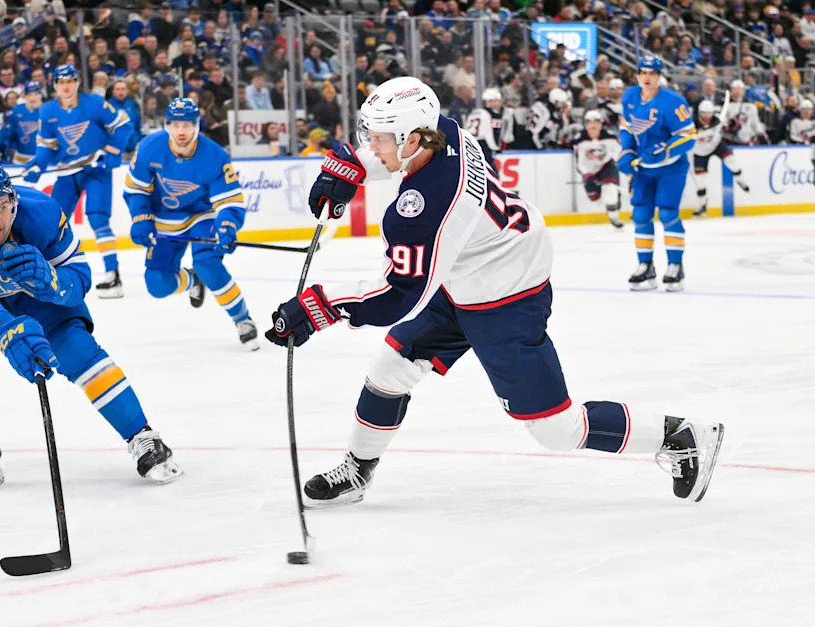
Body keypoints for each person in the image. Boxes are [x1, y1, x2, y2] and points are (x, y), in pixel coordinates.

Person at [263, 77, 724, 508]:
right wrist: (346, 167)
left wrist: (316, 308)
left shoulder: (425, 207)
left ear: (411, 139)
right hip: (473, 266)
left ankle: (680, 436)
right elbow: (393, 161)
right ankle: (359, 471)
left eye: (380, 138)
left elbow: (400, 296)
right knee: (391, 365)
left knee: (554, 429)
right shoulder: (444, 131)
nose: (371, 146)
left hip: (507, 296)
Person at [0, 158, 181, 490]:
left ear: (14, 199)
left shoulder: (41, 211)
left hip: (35, 295)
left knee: (77, 350)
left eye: (2, 206)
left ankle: (142, 436)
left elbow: (79, 278)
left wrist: (54, 282)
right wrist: (5, 332)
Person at [123, 98, 260, 350]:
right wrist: (141, 218)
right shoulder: (148, 148)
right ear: (167, 126)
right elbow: (135, 191)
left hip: (201, 216)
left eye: (187, 124)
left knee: (207, 263)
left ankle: (243, 319)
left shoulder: (215, 155)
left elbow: (229, 201)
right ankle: (192, 280)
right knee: (157, 284)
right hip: (163, 220)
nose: (181, 131)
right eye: (175, 125)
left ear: (197, 126)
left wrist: (227, 226)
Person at [22, 64, 135, 298]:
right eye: (61, 82)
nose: (66, 86)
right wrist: (37, 165)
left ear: (77, 83)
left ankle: (113, 275)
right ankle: (45, 274)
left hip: (97, 169)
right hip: (67, 172)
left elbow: (124, 126)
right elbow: (47, 148)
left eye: (70, 81)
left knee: (97, 218)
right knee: (53, 221)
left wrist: (113, 153)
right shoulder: (48, 111)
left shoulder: (94, 103)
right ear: (55, 85)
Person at [617, 55, 695, 292]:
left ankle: (675, 266)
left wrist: (666, 151)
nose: (647, 77)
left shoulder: (673, 102)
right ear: (638, 74)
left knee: (668, 213)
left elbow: (688, 136)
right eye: (643, 72)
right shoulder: (630, 97)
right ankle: (646, 266)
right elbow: (627, 128)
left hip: (671, 169)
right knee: (640, 215)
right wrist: (627, 152)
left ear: (659, 76)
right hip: (644, 170)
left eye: (652, 73)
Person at [692, 100, 750, 217]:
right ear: (699, 113)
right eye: (703, 113)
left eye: (708, 113)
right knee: (700, 182)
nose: (706, 116)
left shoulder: (718, 120)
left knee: (732, 162)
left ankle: (739, 179)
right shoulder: (692, 124)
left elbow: (734, 127)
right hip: (699, 151)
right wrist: (696, 133)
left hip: (717, 145)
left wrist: (732, 123)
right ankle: (702, 206)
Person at [574, 109, 623, 228]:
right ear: (586, 125)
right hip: (589, 171)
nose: (593, 125)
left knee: (609, 190)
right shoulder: (579, 139)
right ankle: (614, 198)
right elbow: (579, 161)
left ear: (601, 124)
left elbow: (619, 153)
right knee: (594, 199)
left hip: (606, 166)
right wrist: (586, 174)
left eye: (596, 122)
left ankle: (613, 216)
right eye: (590, 123)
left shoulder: (610, 137)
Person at [3, 80, 42, 165]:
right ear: (25, 96)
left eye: (36, 94)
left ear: (40, 95)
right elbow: (11, 136)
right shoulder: (17, 110)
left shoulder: (48, 111)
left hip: (42, 159)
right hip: (20, 160)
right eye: (29, 94)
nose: (32, 98)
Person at [464, 87, 504, 166]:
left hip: (469, 146)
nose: (497, 103)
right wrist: (496, 148)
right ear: (488, 102)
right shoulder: (491, 115)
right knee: (492, 175)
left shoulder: (473, 112)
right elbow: (490, 135)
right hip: (484, 146)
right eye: (495, 101)